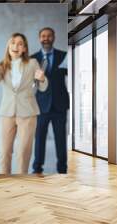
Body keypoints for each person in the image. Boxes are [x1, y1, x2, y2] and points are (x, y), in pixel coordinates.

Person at [0, 33, 48, 174]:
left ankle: (22, 183)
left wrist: (43, 78)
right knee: (4, 151)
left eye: (20, 43)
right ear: (9, 46)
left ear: (24, 49)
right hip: (7, 112)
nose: (15, 46)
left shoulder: (32, 63)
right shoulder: (2, 65)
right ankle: (5, 183)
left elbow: (42, 87)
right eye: (13, 42)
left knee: (23, 152)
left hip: (28, 112)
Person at [31, 27, 69, 174]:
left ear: (54, 37)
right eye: (43, 36)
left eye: (49, 36)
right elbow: (30, 82)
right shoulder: (33, 59)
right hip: (40, 105)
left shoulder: (64, 55)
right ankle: (37, 169)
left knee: (61, 140)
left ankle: (62, 169)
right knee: (39, 139)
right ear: (40, 38)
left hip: (60, 106)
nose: (46, 38)